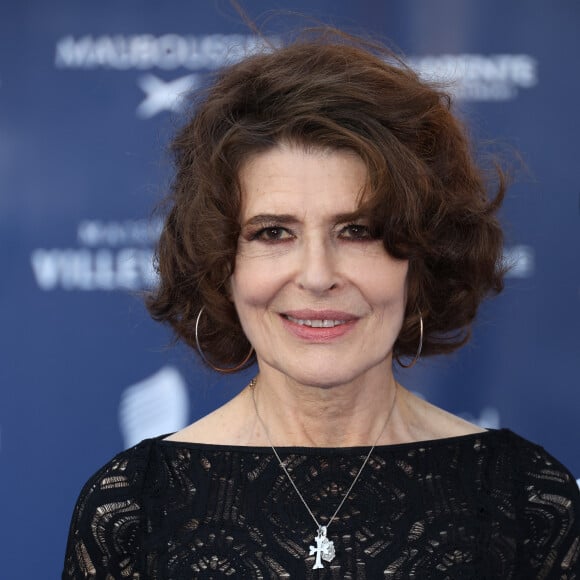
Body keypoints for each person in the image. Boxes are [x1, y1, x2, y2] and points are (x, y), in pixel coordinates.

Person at [62, 28, 580, 579]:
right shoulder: (133, 508)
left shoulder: (525, 498)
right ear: (221, 262)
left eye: (357, 230)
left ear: (421, 255)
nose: (316, 276)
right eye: (273, 233)